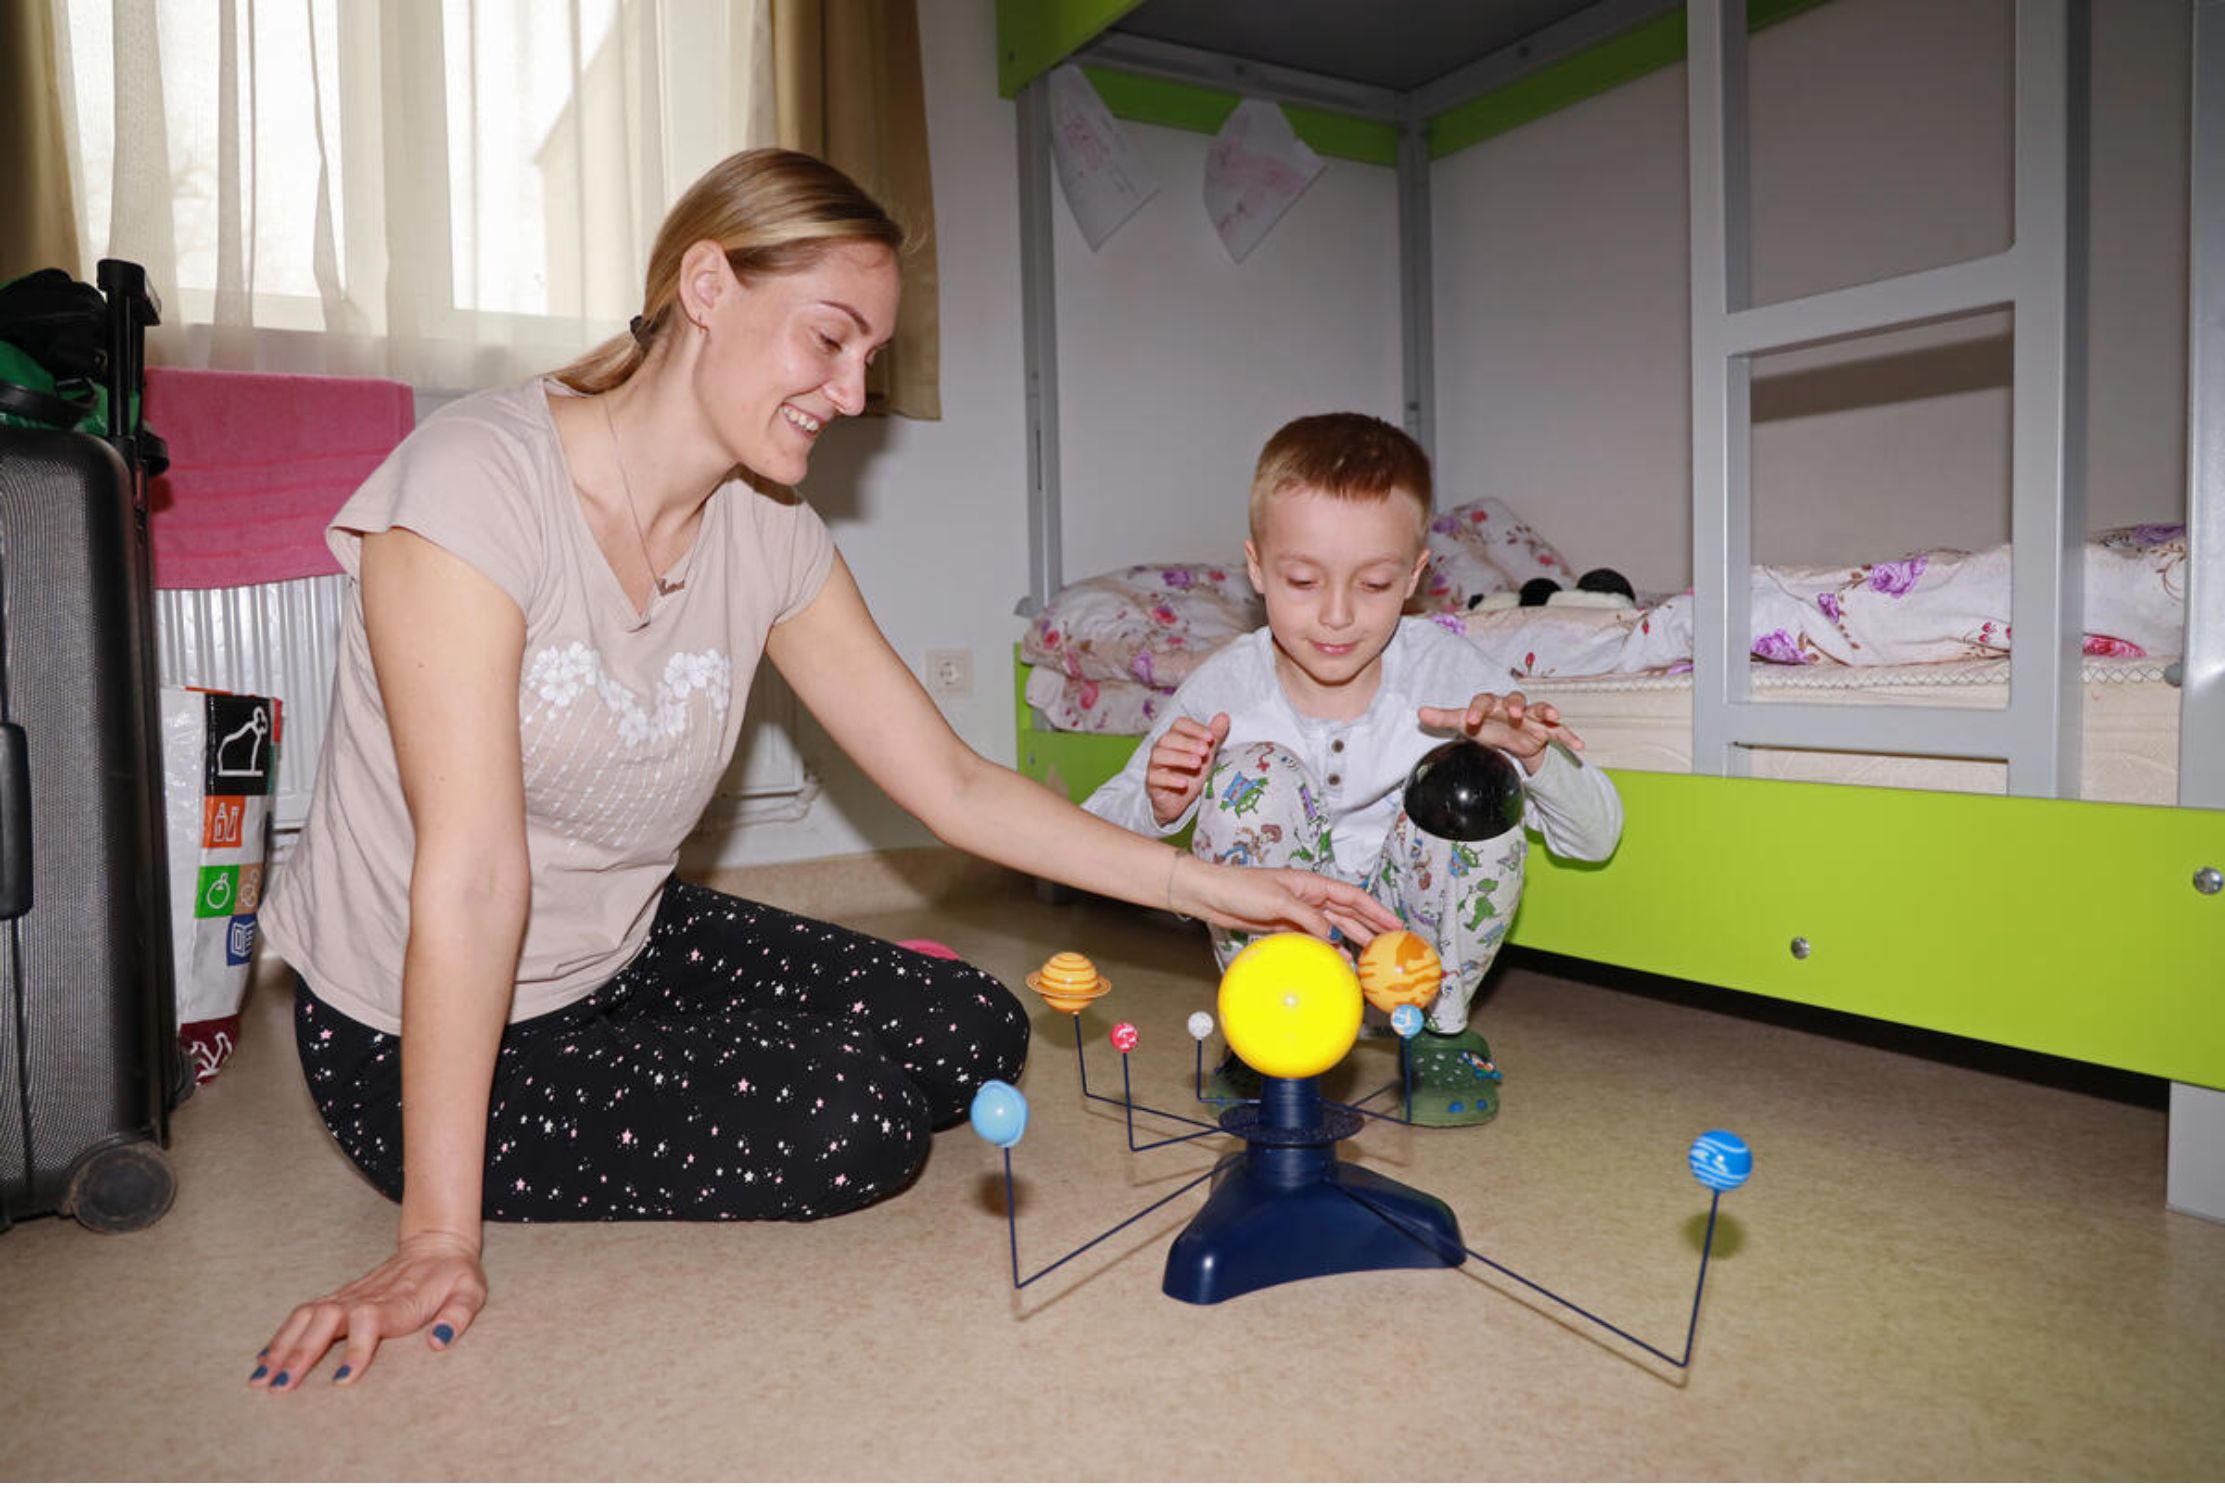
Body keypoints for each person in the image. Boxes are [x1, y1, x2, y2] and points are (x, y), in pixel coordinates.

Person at [249, 150, 1399, 1393]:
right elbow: (471, 877)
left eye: (869, 360)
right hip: (415, 1026)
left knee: (973, 1026)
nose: (851, 394)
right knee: (849, 1127)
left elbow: (950, 785)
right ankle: (571, 1116)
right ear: (706, 285)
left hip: (617, 949)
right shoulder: (472, 487)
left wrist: (1208, 887)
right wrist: (434, 1237)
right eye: (829, 341)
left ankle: (687, 1046)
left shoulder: (767, 529)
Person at [1083, 413, 1623, 1121]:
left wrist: (1529, 754)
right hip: (1283, 943)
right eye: (1302, 580)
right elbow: (1091, 829)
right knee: (1256, 775)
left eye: (1371, 584)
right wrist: (1160, 800)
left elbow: (1596, 838)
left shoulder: (1448, 671)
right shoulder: (1224, 687)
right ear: (1255, 568)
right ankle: (1267, 1029)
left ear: (1414, 577)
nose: (1336, 616)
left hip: (1413, 945)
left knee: (1470, 773)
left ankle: (1441, 1033)